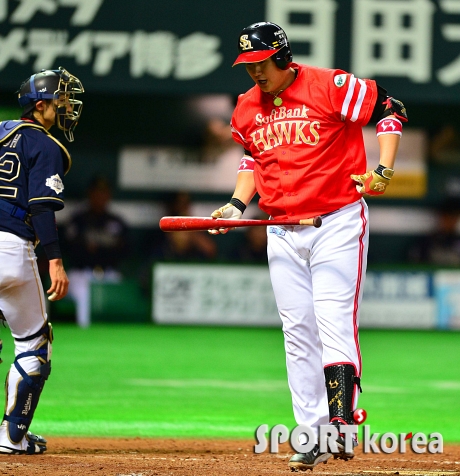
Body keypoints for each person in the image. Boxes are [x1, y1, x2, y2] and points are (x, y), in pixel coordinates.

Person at [208, 22, 406, 471]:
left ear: (281, 56)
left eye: (260, 64)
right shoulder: (245, 108)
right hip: (281, 227)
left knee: (332, 319)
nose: (254, 74)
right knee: (297, 333)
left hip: (336, 219)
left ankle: (340, 424)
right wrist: (237, 204)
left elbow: (391, 109)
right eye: (247, 66)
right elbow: (253, 158)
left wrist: (384, 171)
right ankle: (312, 432)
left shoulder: (329, 85)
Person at [0, 67, 84, 454]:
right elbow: (41, 207)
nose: (66, 106)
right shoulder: (44, 144)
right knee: (34, 344)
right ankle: (12, 437)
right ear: (40, 106)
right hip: (12, 250)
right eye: (60, 100)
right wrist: (54, 260)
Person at [64, 176, 129, 328]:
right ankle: (85, 333)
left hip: (109, 273)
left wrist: (97, 249)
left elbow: (125, 250)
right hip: (81, 273)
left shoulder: (116, 221)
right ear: (90, 194)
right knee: (83, 294)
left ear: (108, 195)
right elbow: (70, 249)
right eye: (96, 193)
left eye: (103, 193)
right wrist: (104, 248)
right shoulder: (78, 220)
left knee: (121, 293)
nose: (100, 197)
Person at [408, 198, 460, 266]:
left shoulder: (457, 240)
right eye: (449, 217)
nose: (452, 221)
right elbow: (415, 266)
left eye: (455, 217)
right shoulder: (427, 243)